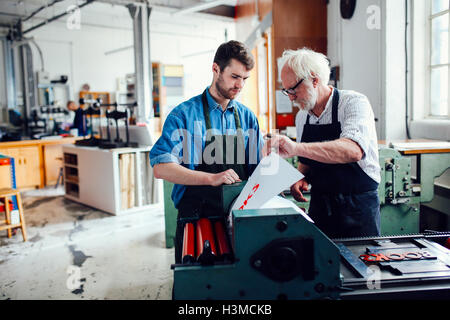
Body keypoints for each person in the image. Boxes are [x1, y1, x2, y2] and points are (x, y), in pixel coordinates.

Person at [150, 40, 263, 263]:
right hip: (196, 217)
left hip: (239, 216)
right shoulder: (182, 115)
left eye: (244, 79)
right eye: (234, 77)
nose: (240, 85)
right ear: (216, 69)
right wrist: (211, 178)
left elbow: (257, 170)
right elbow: (161, 168)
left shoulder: (248, 117)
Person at [263, 48, 381, 239]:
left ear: (315, 80)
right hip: (320, 205)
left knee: (363, 265)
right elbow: (308, 160)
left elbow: (353, 150)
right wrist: (300, 176)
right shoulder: (303, 116)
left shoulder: (353, 103)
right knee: (319, 263)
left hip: (357, 207)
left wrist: (295, 148)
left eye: (294, 89)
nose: (291, 97)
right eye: (286, 91)